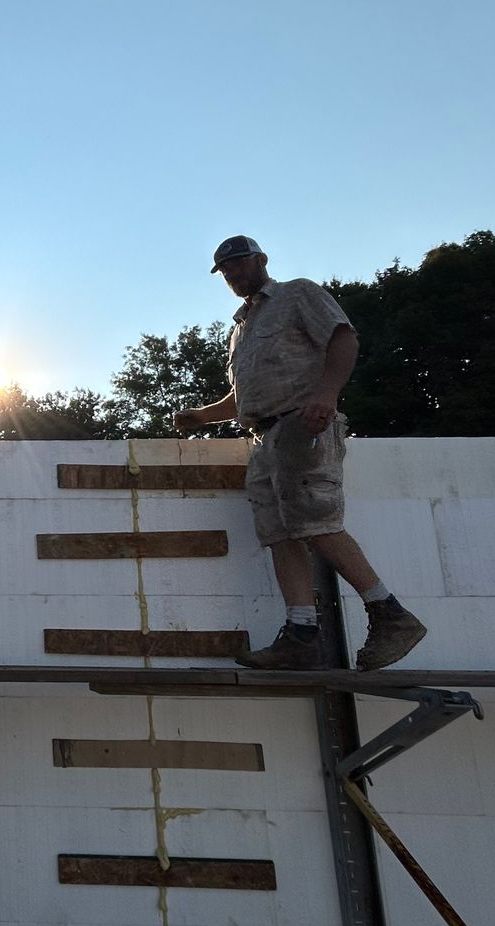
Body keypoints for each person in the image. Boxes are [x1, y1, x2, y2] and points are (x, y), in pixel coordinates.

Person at [174, 235, 427, 671]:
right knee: (280, 533)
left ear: (261, 260)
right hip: (264, 438)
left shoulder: (298, 294)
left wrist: (327, 395)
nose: (233, 273)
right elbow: (242, 397)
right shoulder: (240, 329)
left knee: (315, 520)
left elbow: (343, 339)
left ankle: (391, 614)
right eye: (226, 270)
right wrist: (200, 416)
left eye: (239, 263)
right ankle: (301, 634)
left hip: (302, 424)